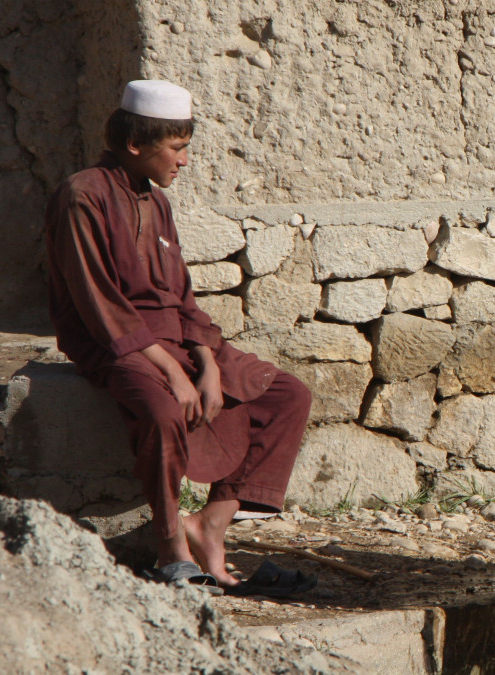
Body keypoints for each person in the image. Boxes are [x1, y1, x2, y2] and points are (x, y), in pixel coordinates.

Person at [44, 80, 313, 595]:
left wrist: (207, 363)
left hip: (176, 343)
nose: (184, 162)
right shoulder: (82, 196)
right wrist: (171, 373)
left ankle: (210, 526)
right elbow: (101, 306)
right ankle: (171, 546)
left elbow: (182, 300)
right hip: (116, 346)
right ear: (135, 144)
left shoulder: (157, 202)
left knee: (286, 396)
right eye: (178, 148)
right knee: (165, 412)